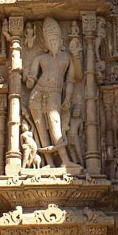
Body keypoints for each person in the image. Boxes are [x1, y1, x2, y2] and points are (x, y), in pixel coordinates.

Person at [25, 18, 82, 166]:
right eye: (49, 40)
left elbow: (75, 78)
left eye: (55, 39)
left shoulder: (67, 57)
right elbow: (30, 82)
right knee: (42, 130)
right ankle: (49, 163)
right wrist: (26, 76)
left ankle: (65, 161)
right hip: (37, 94)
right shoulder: (40, 58)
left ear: (60, 40)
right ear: (45, 44)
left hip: (55, 95)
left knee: (55, 125)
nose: (52, 42)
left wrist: (68, 98)